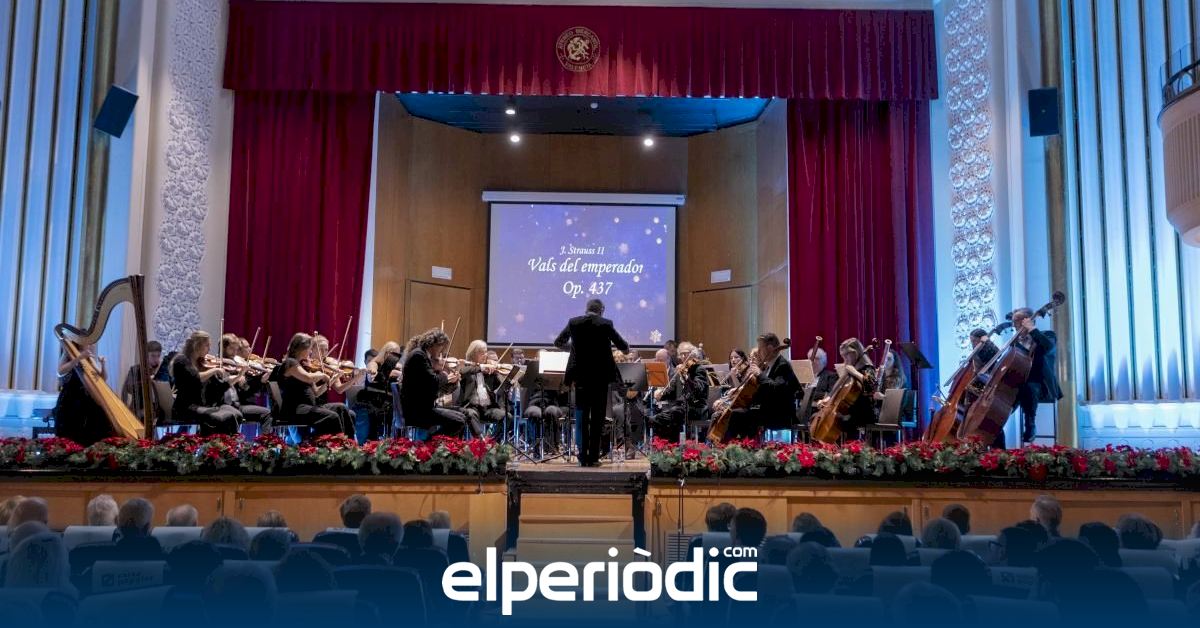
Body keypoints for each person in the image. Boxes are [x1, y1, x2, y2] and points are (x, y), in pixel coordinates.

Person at [554, 299, 630, 467]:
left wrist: (575, 347)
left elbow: (558, 342)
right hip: (600, 378)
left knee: (581, 417)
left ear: (586, 309)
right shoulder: (606, 324)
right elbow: (622, 345)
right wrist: (625, 349)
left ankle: (582, 457)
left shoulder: (574, 322)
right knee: (597, 418)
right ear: (601, 310)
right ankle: (594, 457)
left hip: (580, 377)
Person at [400, 329, 482, 438]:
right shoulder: (418, 355)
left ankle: (451, 445)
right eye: (441, 347)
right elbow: (433, 381)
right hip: (417, 411)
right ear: (434, 344)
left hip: (423, 407)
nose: (442, 351)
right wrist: (446, 376)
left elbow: (431, 385)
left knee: (464, 414)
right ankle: (429, 443)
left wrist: (450, 382)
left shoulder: (422, 355)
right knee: (459, 421)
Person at [274, 332, 355, 438]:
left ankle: (350, 443)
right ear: (301, 348)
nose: (310, 352)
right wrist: (322, 375)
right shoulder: (290, 363)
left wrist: (332, 378)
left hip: (310, 406)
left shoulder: (304, 366)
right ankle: (333, 444)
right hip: (295, 409)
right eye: (309, 349)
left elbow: (317, 392)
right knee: (332, 416)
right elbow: (308, 377)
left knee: (341, 408)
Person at [723, 333, 799, 440]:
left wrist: (760, 374)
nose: (758, 352)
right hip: (768, 409)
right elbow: (763, 390)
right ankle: (741, 446)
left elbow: (777, 389)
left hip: (780, 413)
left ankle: (743, 446)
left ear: (770, 348)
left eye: (760, 348)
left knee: (737, 415)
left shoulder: (782, 365)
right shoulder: (771, 365)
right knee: (735, 413)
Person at [170, 331, 242, 435]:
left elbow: (219, 386)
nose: (209, 349)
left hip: (204, 405)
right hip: (187, 407)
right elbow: (195, 378)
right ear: (197, 345)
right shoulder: (181, 360)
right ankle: (214, 442)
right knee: (224, 417)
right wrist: (214, 370)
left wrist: (238, 375)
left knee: (237, 414)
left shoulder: (203, 363)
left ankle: (225, 443)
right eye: (207, 345)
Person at [1011, 307, 1062, 444]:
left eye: (1017, 321)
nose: (1014, 325)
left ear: (1028, 320)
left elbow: (1048, 348)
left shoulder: (1048, 335)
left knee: (1027, 387)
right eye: (1013, 322)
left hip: (1041, 385)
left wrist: (1032, 329)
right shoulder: (1015, 342)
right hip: (1019, 385)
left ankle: (1030, 423)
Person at [52, 340, 112, 445]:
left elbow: (103, 378)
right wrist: (79, 358)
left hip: (87, 396)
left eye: (90, 342)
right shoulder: (68, 353)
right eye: (88, 342)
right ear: (79, 341)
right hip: (71, 397)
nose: (90, 344)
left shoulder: (90, 357)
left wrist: (103, 364)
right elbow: (60, 371)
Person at [815, 338, 877, 434]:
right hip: (851, 410)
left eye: (846, 355)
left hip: (863, 410)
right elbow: (840, 387)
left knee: (838, 421)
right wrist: (828, 398)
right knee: (817, 418)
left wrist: (855, 372)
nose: (845, 359)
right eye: (843, 356)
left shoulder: (867, 367)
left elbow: (872, 386)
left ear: (855, 353)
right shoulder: (850, 367)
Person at [652, 341, 709, 437]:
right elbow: (671, 390)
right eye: (681, 354)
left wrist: (686, 377)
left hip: (696, 407)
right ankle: (665, 442)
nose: (683, 357)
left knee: (671, 413)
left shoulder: (698, 369)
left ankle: (674, 442)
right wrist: (661, 394)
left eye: (685, 354)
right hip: (682, 407)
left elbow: (698, 389)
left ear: (693, 354)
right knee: (660, 416)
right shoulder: (682, 369)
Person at [355, 340, 402, 440]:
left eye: (397, 355)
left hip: (389, 402)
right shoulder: (374, 363)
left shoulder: (397, 368)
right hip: (372, 401)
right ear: (385, 352)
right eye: (392, 354)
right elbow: (371, 374)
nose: (394, 357)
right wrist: (373, 373)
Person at [455, 340, 508, 429]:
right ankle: (479, 438)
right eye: (482, 353)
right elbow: (462, 371)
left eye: (486, 352)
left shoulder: (489, 370)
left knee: (506, 416)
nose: (485, 355)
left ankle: (492, 437)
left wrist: (496, 372)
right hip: (471, 407)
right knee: (471, 414)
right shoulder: (466, 367)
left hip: (487, 408)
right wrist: (481, 367)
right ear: (473, 354)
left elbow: (500, 388)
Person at [121, 340, 169, 421]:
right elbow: (128, 388)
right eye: (153, 356)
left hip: (156, 413)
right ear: (146, 355)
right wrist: (146, 381)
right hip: (138, 411)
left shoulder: (162, 372)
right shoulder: (135, 369)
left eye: (158, 356)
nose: (156, 359)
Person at [797, 346, 839, 426]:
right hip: (801, 411)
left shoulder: (831, 376)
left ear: (823, 361)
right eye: (810, 358)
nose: (812, 361)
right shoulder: (803, 377)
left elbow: (831, 395)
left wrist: (808, 393)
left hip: (818, 411)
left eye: (816, 358)